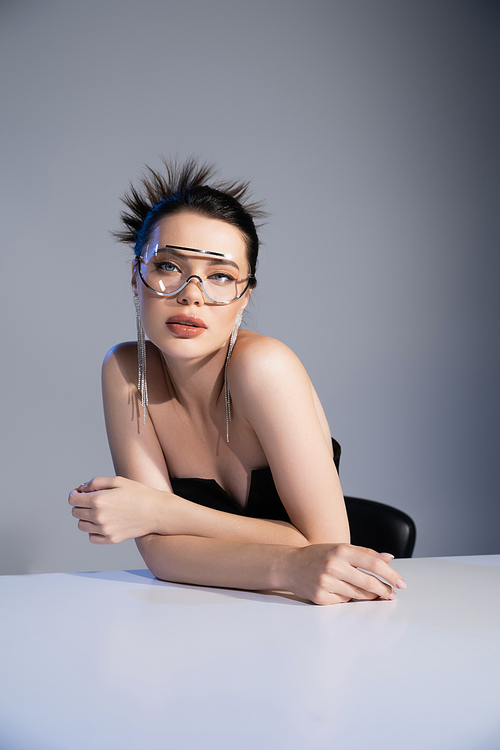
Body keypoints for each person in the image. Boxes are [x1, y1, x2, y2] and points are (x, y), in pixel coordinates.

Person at [69, 158, 406, 605]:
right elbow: (161, 555)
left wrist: (165, 511)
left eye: (220, 276)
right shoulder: (127, 371)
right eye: (169, 266)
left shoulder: (264, 367)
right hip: (214, 616)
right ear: (137, 277)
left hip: (339, 612)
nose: (192, 293)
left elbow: (327, 546)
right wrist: (291, 562)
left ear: (244, 296)